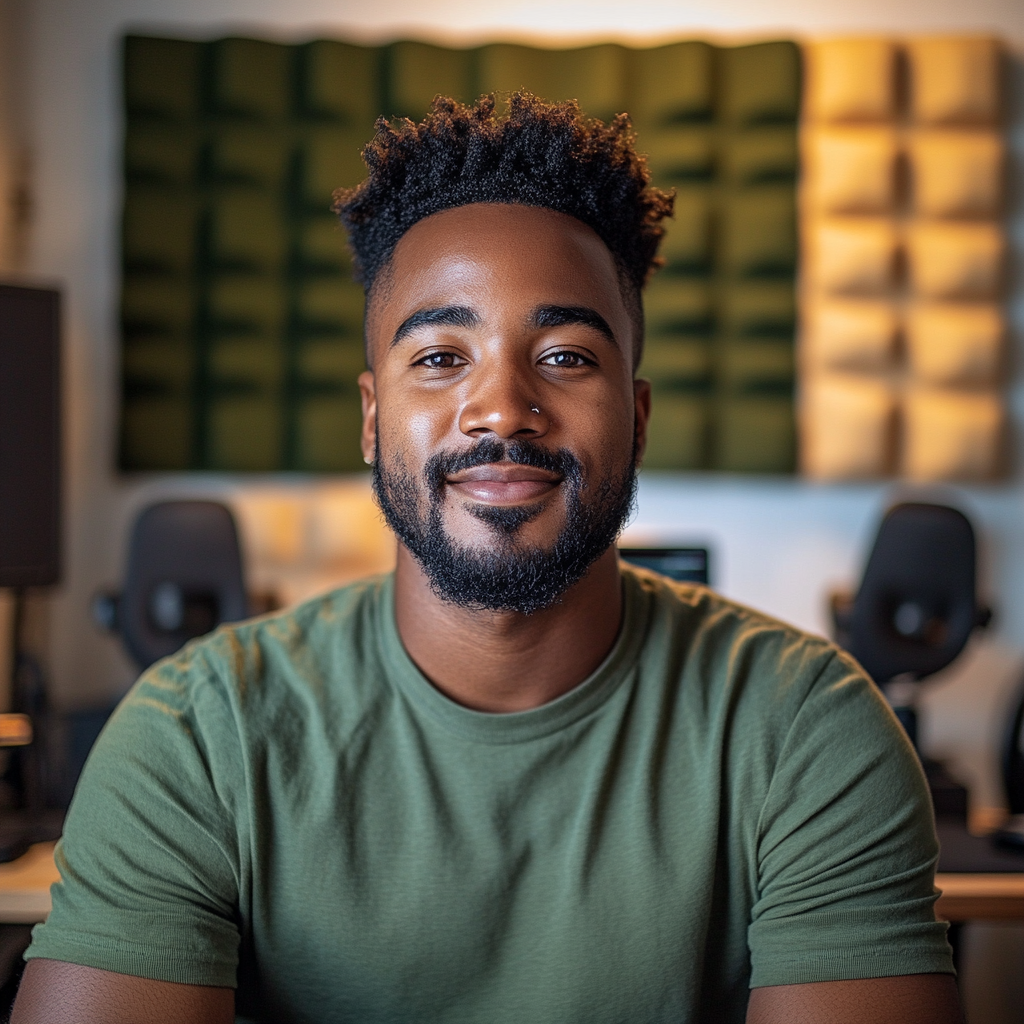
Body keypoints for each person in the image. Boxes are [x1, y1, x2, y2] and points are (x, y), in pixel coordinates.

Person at [14, 94, 961, 1024]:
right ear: (372, 418)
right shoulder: (196, 738)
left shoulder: (809, 734)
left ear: (635, 417)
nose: (502, 408)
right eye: (438, 358)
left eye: (564, 356)